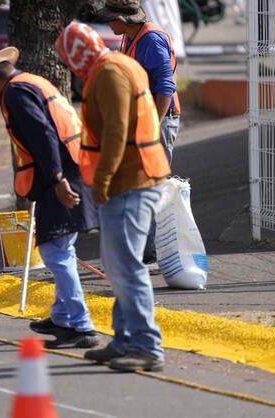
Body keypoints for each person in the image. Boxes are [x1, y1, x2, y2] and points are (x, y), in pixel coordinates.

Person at [0, 47, 100, 349]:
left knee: (55, 252)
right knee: (60, 248)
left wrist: (56, 179)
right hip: (74, 168)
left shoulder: (15, 92)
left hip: (62, 175)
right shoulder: (32, 81)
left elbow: (43, 135)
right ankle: (63, 317)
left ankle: (80, 325)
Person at [56, 22, 170, 371]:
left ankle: (146, 347)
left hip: (129, 181)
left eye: (68, 59)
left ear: (77, 55)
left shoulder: (108, 73)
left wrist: (101, 182)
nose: (69, 68)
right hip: (134, 177)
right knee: (121, 267)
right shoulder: (116, 65)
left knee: (127, 267)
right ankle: (124, 340)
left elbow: (118, 131)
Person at [95, 0, 181, 267]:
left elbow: (166, 85)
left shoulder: (151, 39)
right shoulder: (130, 36)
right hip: (143, 121)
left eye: (111, 19)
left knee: (152, 186)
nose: (108, 25)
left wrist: (153, 126)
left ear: (123, 18)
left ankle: (155, 253)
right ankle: (145, 251)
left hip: (159, 121)